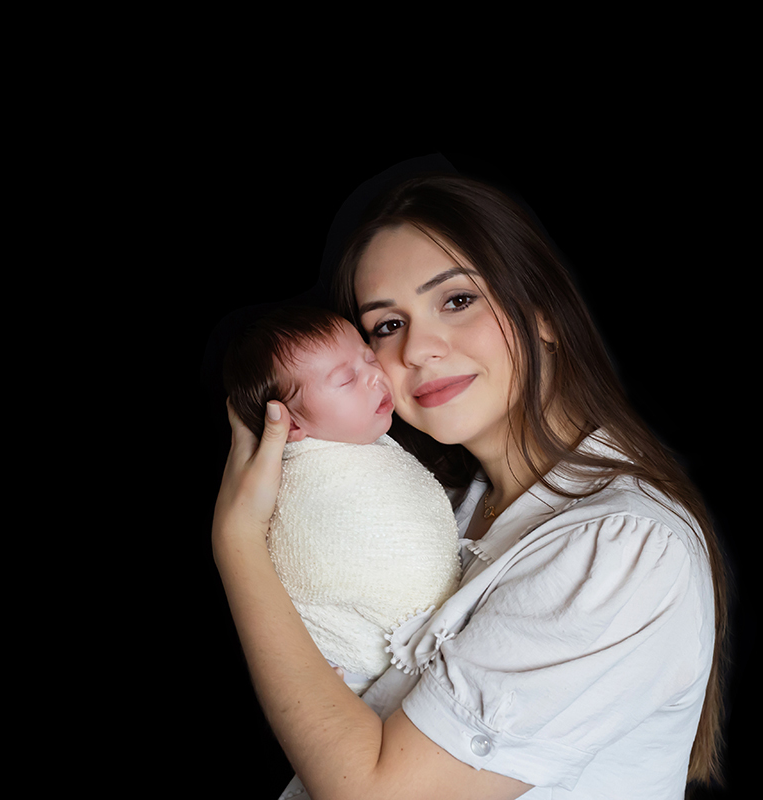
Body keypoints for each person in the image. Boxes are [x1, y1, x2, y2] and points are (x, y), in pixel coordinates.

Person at [212, 172, 730, 799]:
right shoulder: (448, 514)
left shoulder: (620, 547)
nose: (419, 350)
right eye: (385, 326)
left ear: (543, 316)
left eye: (456, 301)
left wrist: (237, 543)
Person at [221, 304, 461, 694]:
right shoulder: (307, 484)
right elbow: (314, 568)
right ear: (291, 424)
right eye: (347, 379)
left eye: (369, 358)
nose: (375, 377)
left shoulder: (368, 444)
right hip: (354, 676)